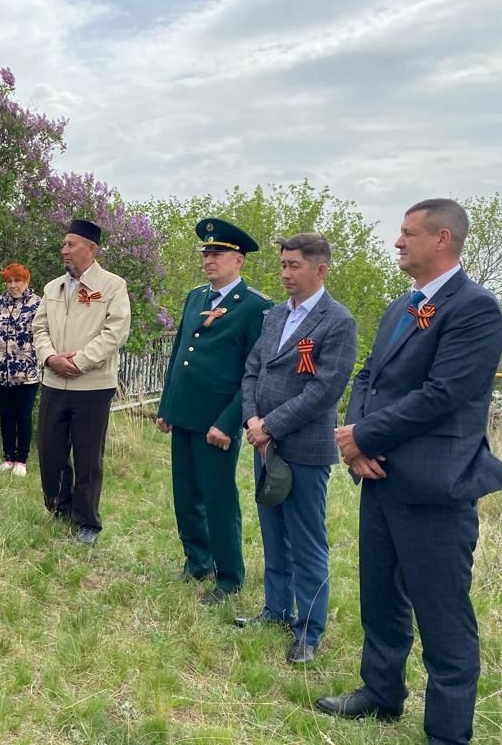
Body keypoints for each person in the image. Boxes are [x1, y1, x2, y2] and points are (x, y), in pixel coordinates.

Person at [317, 199, 502, 745]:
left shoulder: (475, 309)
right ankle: (381, 693)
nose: (398, 242)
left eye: (408, 233)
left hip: (433, 486)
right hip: (380, 478)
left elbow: (443, 395)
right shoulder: (401, 308)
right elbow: (367, 379)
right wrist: (356, 443)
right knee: (380, 599)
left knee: (442, 615)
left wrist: (363, 435)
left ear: (443, 239)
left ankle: (447, 733)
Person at [240, 233, 358, 663]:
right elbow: (252, 369)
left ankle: (308, 630)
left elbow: (325, 390)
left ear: (320, 269)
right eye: (283, 265)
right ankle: (276, 609)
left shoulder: (337, 321)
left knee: (306, 541)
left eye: (294, 266)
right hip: (263, 445)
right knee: (273, 532)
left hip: (304, 449)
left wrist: (271, 424)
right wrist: (253, 420)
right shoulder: (274, 315)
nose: (286, 273)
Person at [156, 218, 273, 605]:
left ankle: (229, 576)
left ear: (238, 260)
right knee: (185, 494)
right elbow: (178, 357)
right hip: (185, 413)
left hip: (218, 421)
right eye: (206, 253)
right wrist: (166, 406)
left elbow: (254, 373)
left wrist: (229, 422)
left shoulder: (255, 307)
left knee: (218, 499)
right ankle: (197, 560)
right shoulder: (196, 298)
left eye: (218, 253)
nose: (209, 260)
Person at [31, 219, 131, 546]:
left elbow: (115, 332)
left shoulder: (113, 286)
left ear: (91, 248)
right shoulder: (52, 288)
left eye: (71, 244)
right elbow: (39, 329)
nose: (64, 250)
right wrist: (50, 358)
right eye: (64, 244)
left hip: (92, 386)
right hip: (54, 382)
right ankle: (60, 509)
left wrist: (79, 361)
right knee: (49, 450)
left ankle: (87, 520)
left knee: (88, 456)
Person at [0, 262, 42, 478]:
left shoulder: (37, 305)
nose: (13, 285)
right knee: (6, 415)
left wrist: (35, 357)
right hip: (0, 372)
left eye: (18, 281)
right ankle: (8, 457)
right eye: (9, 281)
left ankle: (22, 460)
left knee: (23, 415)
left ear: (26, 281)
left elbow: (45, 335)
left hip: (27, 374)